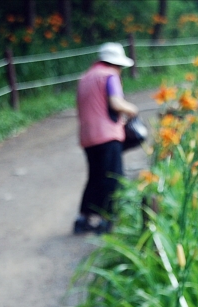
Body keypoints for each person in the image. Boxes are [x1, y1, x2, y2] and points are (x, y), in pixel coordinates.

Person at [74, 43, 139, 234]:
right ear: (115, 63)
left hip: (87, 136)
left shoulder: (85, 77)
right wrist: (133, 110)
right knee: (112, 177)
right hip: (107, 135)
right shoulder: (109, 75)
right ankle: (106, 221)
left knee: (94, 176)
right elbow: (116, 103)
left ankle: (82, 219)